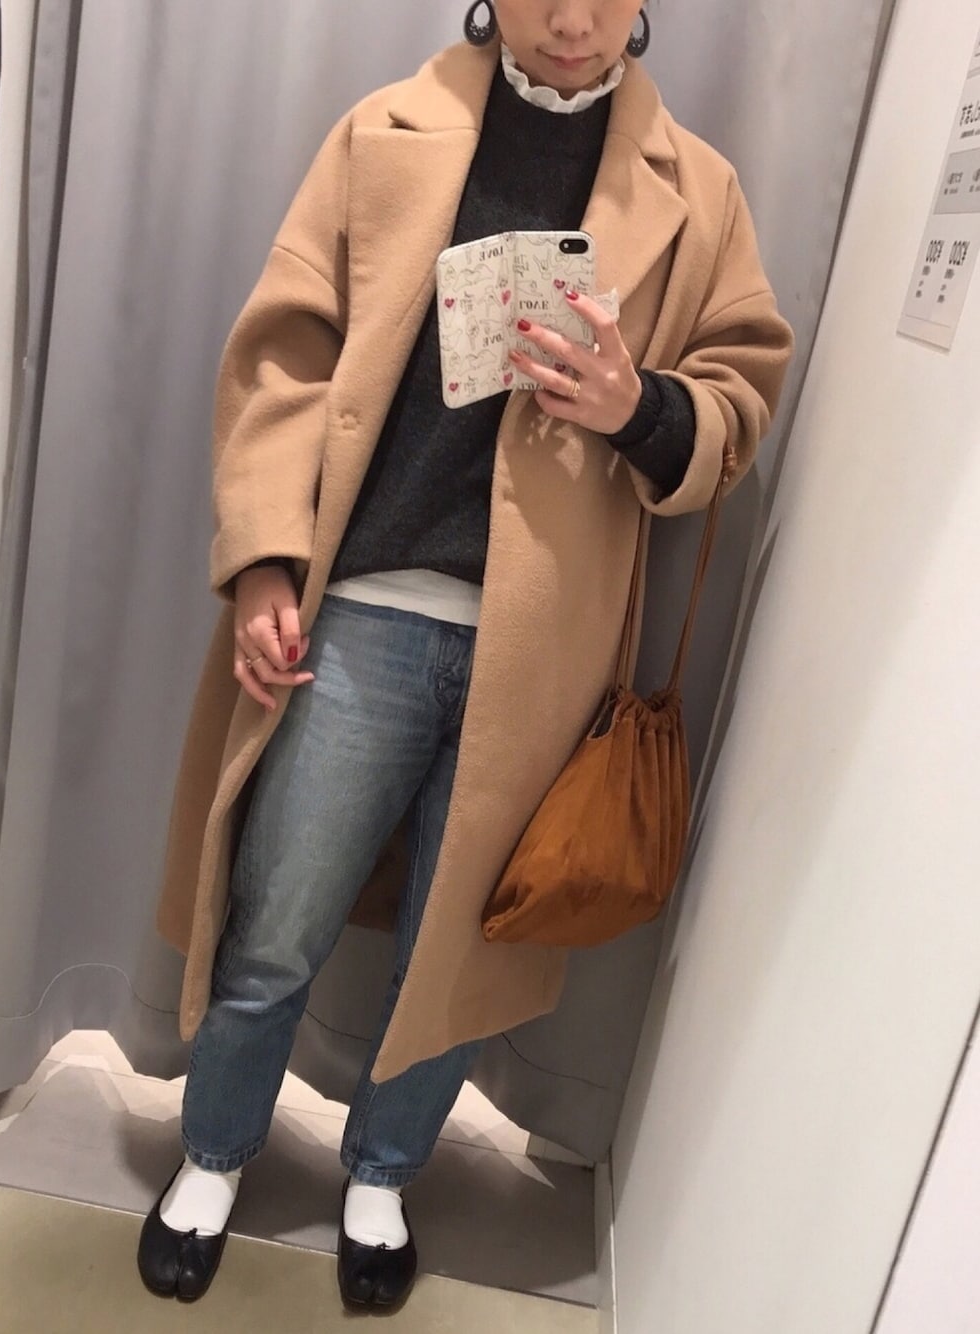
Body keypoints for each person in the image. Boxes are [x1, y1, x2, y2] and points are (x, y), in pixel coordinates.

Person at [137, 0, 794, 1311]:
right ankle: (214, 1150)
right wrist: (265, 557)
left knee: (462, 954)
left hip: (545, 648)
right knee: (276, 922)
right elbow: (283, 360)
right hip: (362, 610)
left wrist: (638, 406)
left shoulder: (701, 191)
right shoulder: (384, 131)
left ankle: (383, 1175)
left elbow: (741, 393)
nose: (571, 20)